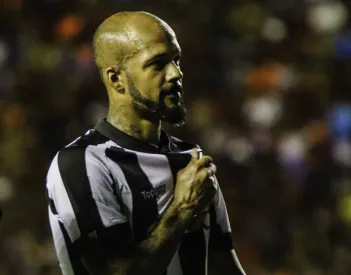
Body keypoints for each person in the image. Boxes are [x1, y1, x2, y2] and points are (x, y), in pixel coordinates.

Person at [45, 11, 246, 275]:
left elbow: (223, 265)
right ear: (116, 79)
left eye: (176, 60)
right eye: (158, 64)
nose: (176, 73)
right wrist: (182, 209)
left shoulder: (190, 160)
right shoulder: (82, 164)